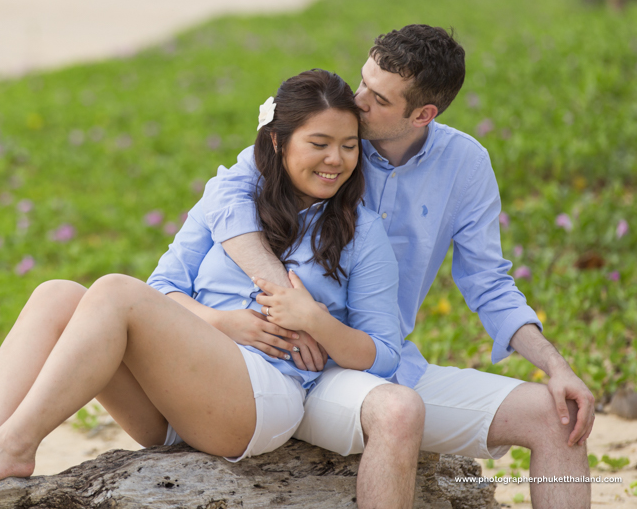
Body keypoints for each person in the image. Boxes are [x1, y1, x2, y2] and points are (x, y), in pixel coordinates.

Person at [0, 68, 403, 505]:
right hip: (173, 400)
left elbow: (382, 353)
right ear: (277, 141)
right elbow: (163, 286)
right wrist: (222, 323)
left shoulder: (362, 231)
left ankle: (16, 445)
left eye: (348, 145)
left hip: (259, 403)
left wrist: (315, 320)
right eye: (319, 144)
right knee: (56, 293)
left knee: (117, 291)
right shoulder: (230, 201)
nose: (336, 160)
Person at [199, 25, 595, 509]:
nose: (358, 100)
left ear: (423, 114)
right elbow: (226, 192)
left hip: (388, 360)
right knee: (395, 411)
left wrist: (556, 365)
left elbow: (489, 284)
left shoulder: (465, 165)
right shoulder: (332, 143)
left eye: (379, 98)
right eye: (363, 81)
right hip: (302, 366)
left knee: (559, 419)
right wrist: (288, 302)